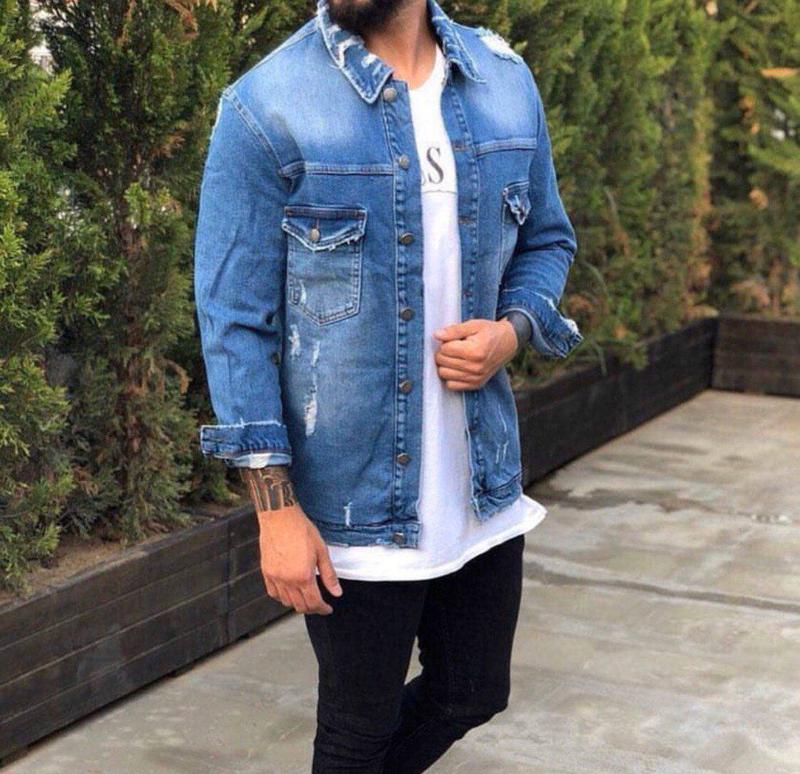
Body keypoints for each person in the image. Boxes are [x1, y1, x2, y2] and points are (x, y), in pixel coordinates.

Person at [194, 0, 582, 770]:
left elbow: (547, 238)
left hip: (478, 488)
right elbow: (233, 319)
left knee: (472, 692)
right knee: (356, 734)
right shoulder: (267, 105)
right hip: (350, 504)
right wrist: (274, 508)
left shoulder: (503, 82)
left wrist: (511, 333)